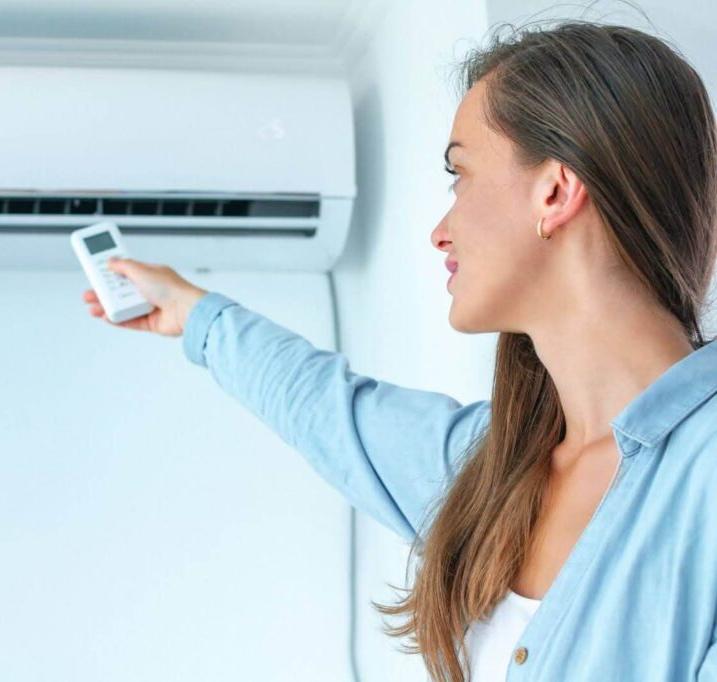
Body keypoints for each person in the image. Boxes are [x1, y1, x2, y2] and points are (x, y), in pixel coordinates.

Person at [81, 19, 717, 682]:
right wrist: (191, 312)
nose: (442, 232)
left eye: (460, 176)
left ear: (554, 191)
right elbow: (332, 412)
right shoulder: (494, 470)